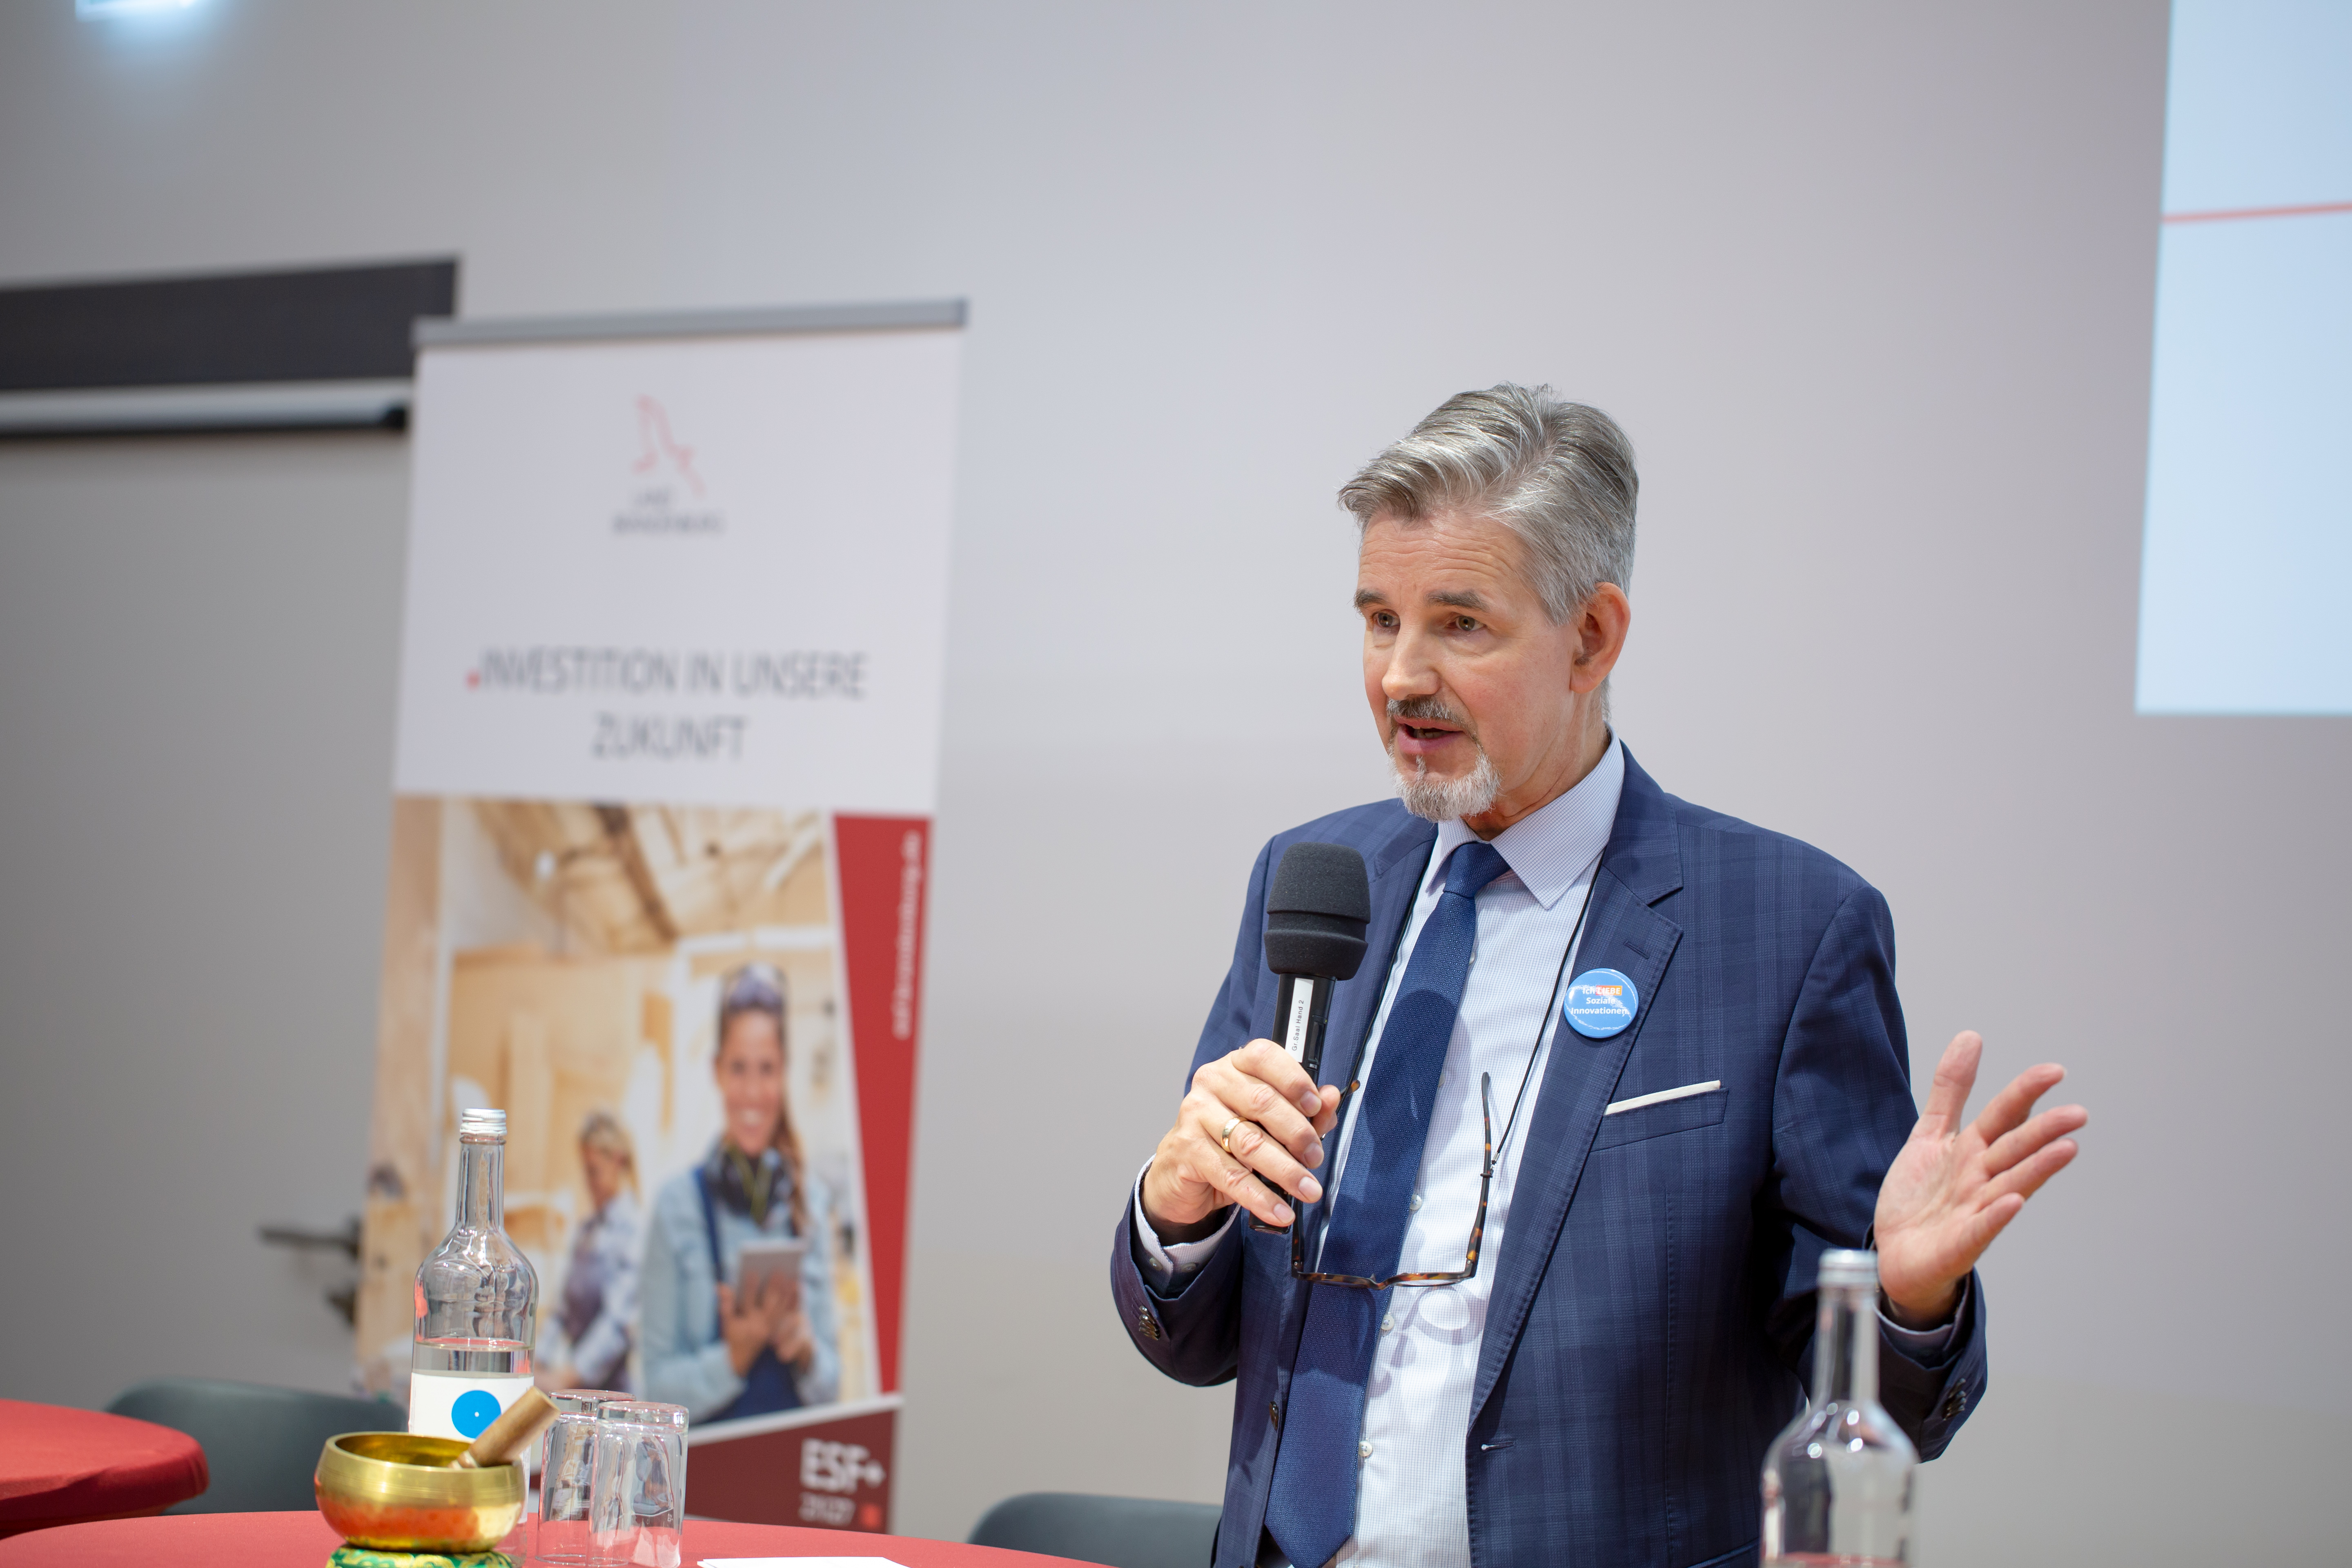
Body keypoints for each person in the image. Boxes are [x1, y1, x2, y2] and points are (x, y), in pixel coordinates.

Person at [1110, 386, 2089, 1568]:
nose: (1400, 677)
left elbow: (1892, 1413)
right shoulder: (1315, 886)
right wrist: (1177, 1211)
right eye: (1378, 619)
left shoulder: (1785, 930)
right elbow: (1200, 1340)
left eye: (1461, 625)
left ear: (1592, 637)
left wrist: (1907, 1302)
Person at [642, 963, 840, 1420]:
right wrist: (733, 1358)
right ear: (717, 1072)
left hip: (789, 1476)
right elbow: (655, 1390)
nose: (753, 1091)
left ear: (785, 1072)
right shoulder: (676, 1209)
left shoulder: (811, 1203)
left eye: (767, 1069)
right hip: (706, 1482)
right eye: (738, 1068)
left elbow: (833, 1389)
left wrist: (805, 1350)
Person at [538, 1110, 641, 1394]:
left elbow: (617, 1325)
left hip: (610, 1394)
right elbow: (562, 1308)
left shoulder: (635, 1232)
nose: (588, 1181)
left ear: (617, 1161)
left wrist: (567, 1377)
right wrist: (537, 1362)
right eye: (585, 1171)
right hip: (575, 1387)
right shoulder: (586, 1230)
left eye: (593, 1171)